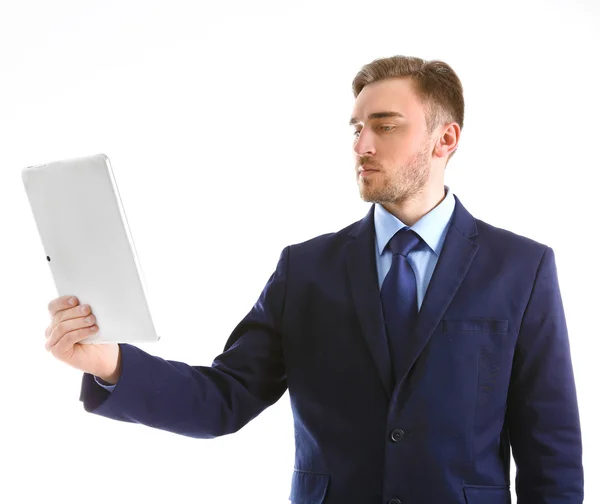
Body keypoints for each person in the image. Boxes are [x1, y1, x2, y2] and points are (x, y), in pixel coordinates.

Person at [44, 55, 584, 504]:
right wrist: (109, 363)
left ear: (446, 139)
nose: (362, 145)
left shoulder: (521, 268)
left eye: (385, 126)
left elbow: (551, 451)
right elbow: (224, 398)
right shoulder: (305, 270)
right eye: (357, 128)